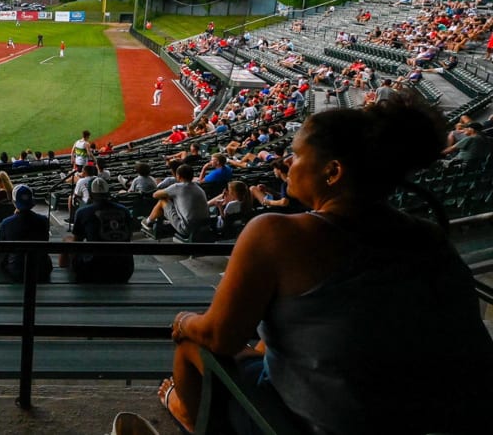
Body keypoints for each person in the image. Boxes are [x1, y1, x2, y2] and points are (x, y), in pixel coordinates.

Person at [160, 94, 493, 435]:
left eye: (298, 154)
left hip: (335, 426)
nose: (288, 161)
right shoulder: (429, 235)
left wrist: (185, 321)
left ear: (333, 171)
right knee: (264, 342)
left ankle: (190, 418)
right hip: (449, 420)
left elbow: (218, 338)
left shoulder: (276, 233)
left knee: (192, 344)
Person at [59, 176, 134, 283]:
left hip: (92, 270)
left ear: (90, 193)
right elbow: (128, 236)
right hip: (125, 270)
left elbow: (77, 242)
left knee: (67, 240)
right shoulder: (125, 211)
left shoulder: (82, 212)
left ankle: (62, 275)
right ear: (108, 192)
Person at [0, 184, 52, 283]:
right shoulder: (44, 220)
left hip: (16, 272)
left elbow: (1, 251)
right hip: (41, 271)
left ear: (14, 202)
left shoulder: (6, 223)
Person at [142, 164, 209, 236]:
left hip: (187, 229)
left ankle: (148, 222)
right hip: (205, 227)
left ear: (178, 176)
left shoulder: (177, 187)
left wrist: (167, 192)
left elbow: (155, 195)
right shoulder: (199, 188)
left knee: (163, 200)